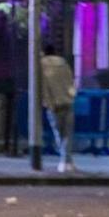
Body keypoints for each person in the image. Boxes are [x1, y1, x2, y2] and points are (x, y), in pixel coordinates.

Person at [41, 44, 77, 173]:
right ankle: (68, 161)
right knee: (67, 133)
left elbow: (44, 87)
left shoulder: (41, 65)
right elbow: (71, 82)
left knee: (59, 134)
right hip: (67, 102)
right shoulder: (63, 63)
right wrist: (72, 96)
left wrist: (48, 104)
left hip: (54, 105)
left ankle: (64, 161)